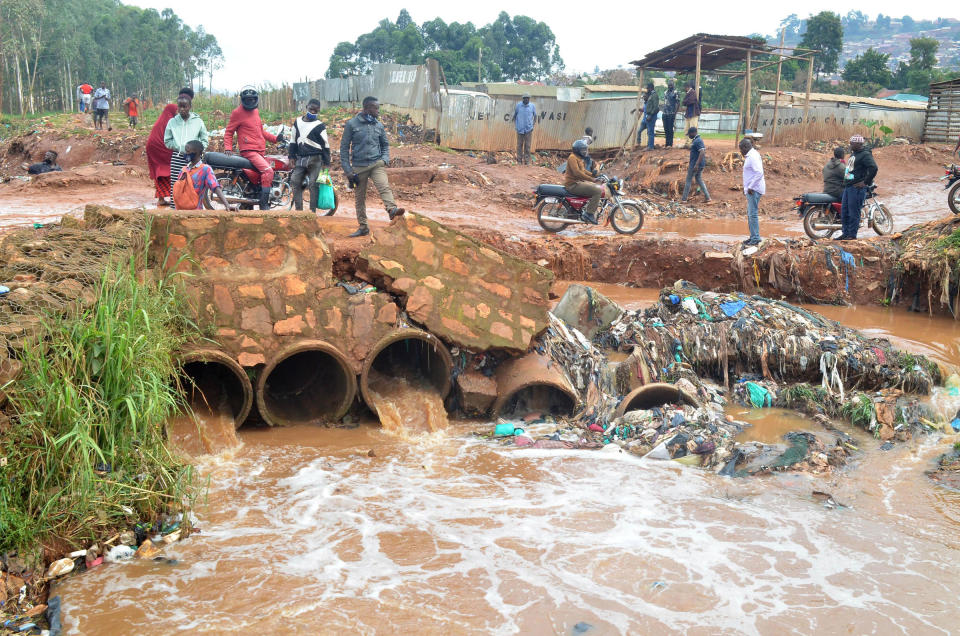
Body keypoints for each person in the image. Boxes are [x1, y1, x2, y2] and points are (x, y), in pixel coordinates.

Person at [340, 96, 406, 237]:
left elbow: (385, 145)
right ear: (367, 108)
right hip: (359, 167)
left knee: (384, 186)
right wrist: (348, 171)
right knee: (360, 198)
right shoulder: (352, 124)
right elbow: (344, 148)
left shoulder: (379, 125)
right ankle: (363, 227)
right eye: (376, 108)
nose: (378, 111)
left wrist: (384, 159)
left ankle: (391, 210)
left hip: (376, 164)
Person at [224, 86, 281, 210]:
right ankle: (264, 204)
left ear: (255, 99)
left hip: (260, 151)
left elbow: (261, 132)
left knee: (267, 173)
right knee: (268, 171)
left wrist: (276, 139)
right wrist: (228, 147)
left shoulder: (255, 111)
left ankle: (253, 199)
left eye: (252, 99)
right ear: (243, 99)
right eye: (247, 99)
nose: (250, 102)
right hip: (249, 151)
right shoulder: (237, 113)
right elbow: (229, 131)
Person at [147, 87, 193, 207]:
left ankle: (162, 199)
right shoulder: (173, 111)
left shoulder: (170, 111)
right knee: (168, 170)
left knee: (162, 172)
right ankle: (176, 198)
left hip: (154, 145)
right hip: (159, 146)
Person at [288, 98, 331, 214]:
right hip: (300, 158)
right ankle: (299, 212)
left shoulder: (320, 125)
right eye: (311, 109)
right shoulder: (297, 122)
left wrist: (327, 164)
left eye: (315, 111)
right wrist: (291, 157)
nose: (312, 112)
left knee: (313, 184)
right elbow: (293, 141)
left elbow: (325, 145)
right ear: (306, 107)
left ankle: (312, 213)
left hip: (316, 159)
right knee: (295, 181)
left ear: (319, 111)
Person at [175, 140, 237, 210]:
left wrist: (227, 205)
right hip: (180, 210)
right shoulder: (183, 170)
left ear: (197, 153)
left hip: (195, 211)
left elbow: (215, 187)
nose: (186, 154)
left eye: (188, 152)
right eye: (185, 151)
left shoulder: (205, 169)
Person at [164, 93, 209, 191]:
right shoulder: (172, 122)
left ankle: (193, 206)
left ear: (190, 107)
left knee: (193, 186)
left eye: (185, 106)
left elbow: (204, 139)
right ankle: (175, 206)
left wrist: (197, 150)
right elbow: (167, 141)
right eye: (179, 106)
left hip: (195, 160)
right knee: (177, 186)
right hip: (178, 158)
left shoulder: (198, 122)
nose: (182, 109)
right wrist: (178, 147)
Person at [838, 134, 878, 241]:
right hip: (848, 187)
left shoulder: (865, 155)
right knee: (845, 211)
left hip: (857, 188)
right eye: (850, 142)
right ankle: (845, 233)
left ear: (859, 144)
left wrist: (865, 182)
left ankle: (852, 235)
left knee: (853, 212)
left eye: (852, 143)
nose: (850, 145)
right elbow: (852, 171)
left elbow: (874, 168)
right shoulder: (854, 154)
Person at [565, 139, 602, 225]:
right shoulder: (572, 158)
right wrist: (593, 180)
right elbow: (577, 173)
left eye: (585, 149)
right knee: (597, 190)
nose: (584, 151)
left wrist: (594, 175)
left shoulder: (578, 158)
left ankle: (585, 209)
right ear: (577, 150)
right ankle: (589, 213)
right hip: (572, 184)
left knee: (594, 188)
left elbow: (584, 171)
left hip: (578, 183)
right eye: (583, 150)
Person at [740, 138, 765, 246]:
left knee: (752, 214)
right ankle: (753, 237)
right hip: (751, 189)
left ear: (745, 147)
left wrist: (750, 187)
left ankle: (755, 238)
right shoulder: (751, 155)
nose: (740, 152)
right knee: (750, 214)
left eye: (741, 149)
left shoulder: (753, 156)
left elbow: (759, 172)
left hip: (754, 190)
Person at [681, 127, 710, 203]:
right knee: (699, 179)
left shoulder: (698, 141)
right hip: (700, 164)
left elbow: (702, 152)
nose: (689, 136)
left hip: (695, 165)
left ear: (693, 133)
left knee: (688, 180)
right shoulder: (697, 140)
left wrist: (696, 164)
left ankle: (684, 199)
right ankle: (708, 197)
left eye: (689, 134)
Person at [514, 93, 536, 165]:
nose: (526, 99)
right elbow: (515, 115)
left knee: (527, 146)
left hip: (528, 129)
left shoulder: (532, 106)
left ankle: (526, 161)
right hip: (520, 129)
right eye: (525, 98)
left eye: (528, 98)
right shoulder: (518, 106)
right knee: (519, 145)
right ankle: (519, 161)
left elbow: (535, 116)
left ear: (529, 99)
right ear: (522, 99)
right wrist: (516, 125)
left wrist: (533, 125)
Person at [642, 82, 659, 151]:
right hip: (649, 115)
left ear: (650, 88)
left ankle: (650, 147)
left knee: (650, 131)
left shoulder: (654, 95)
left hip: (651, 115)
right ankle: (649, 145)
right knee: (649, 131)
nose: (647, 89)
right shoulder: (651, 95)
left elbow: (655, 107)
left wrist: (651, 115)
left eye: (647, 88)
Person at [662, 80, 679, 148]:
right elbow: (665, 102)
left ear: (673, 85)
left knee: (670, 128)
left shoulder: (676, 92)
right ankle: (666, 143)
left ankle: (670, 144)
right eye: (669, 85)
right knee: (665, 129)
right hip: (665, 113)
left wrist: (675, 113)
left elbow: (678, 103)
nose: (670, 86)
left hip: (671, 113)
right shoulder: (665, 92)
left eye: (671, 85)